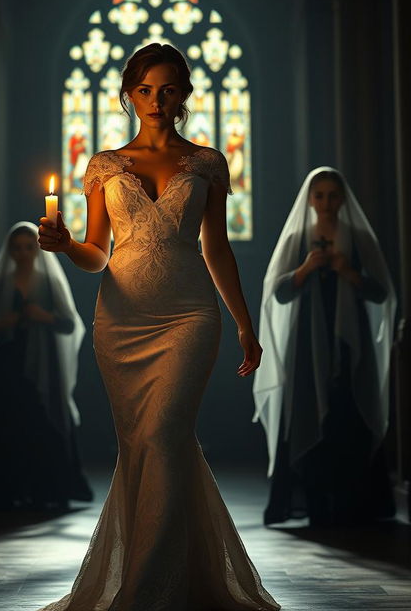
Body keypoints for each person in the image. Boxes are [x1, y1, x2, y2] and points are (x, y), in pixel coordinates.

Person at [37, 44, 280, 610]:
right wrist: (67, 244)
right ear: (128, 94)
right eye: (145, 90)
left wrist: (244, 322)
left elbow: (216, 250)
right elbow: (98, 253)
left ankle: (148, 592)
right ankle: (186, 577)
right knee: (143, 447)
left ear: (184, 95)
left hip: (189, 316)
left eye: (168, 89)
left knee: (163, 436)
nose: (156, 101)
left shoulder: (207, 163)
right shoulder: (104, 165)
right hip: (121, 321)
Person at [253, 168, 396, 526]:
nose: (327, 203)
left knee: (349, 410)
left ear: (343, 198)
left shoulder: (359, 237)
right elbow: (278, 293)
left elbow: (382, 292)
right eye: (320, 196)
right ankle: (314, 501)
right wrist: (303, 271)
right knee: (308, 408)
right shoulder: (299, 238)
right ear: (310, 199)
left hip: (351, 340)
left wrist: (350, 273)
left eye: (333, 195)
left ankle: (352, 502)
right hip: (307, 342)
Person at [0, 222, 92, 509]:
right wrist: (3, 323)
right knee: (5, 420)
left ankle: (46, 489)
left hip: (43, 363)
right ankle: (5, 489)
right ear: (10, 251)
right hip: (7, 361)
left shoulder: (49, 281)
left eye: (28, 247)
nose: (23, 253)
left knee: (42, 418)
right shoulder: (1, 283)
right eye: (17, 248)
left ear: (37, 250)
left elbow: (70, 324)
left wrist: (43, 316)